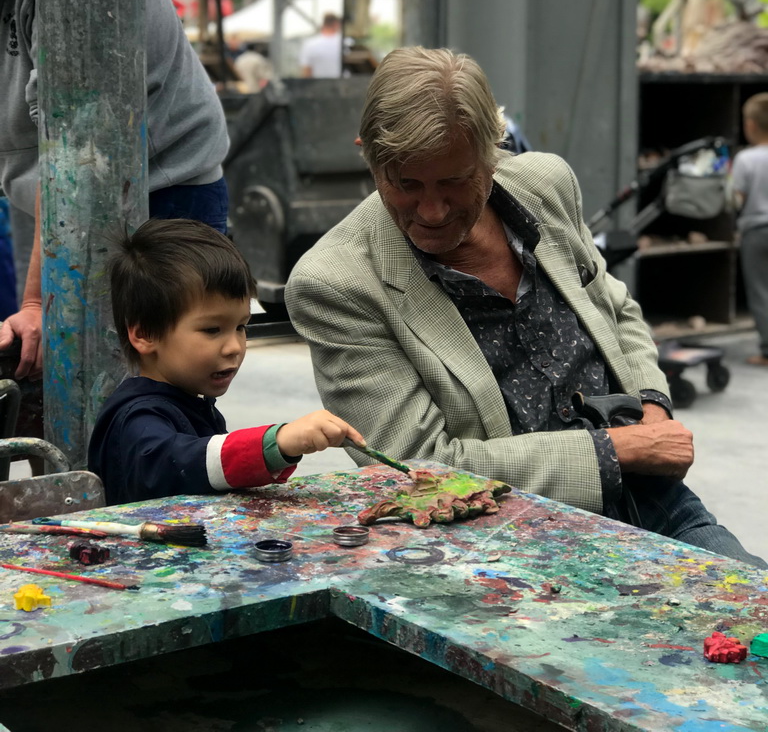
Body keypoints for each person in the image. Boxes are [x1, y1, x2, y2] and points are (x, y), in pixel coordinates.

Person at [286, 47, 764, 568]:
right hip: (495, 541)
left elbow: (615, 311)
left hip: (650, 499)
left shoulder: (545, 186)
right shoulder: (337, 283)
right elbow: (417, 468)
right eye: (405, 184)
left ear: (493, 151)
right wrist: (618, 450)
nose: (431, 210)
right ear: (368, 157)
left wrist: (651, 404)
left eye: (454, 181)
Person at [0, 0, 230, 381]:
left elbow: (77, 151)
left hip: (158, 188)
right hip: (35, 187)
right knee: (36, 372)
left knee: (150, 395)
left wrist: (38, 300)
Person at [88, 218, 365, 505]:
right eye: (212, 330)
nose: (234, 347)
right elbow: (183, 463)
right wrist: (277, 443)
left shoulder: (190, 401)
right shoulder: (138, 420)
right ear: (145, 334)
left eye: (241, 327)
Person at [733, 92, 768, 366]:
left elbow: (736, 198)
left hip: (757, 231)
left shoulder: (746, 159)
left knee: (760, 292)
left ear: (751, 125)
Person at [299, 13, 343, 78]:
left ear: (323, 24)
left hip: (318, 86)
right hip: (342, 86)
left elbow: (306, 72)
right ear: (336, 24)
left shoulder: (309, 44)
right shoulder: (345, 42)